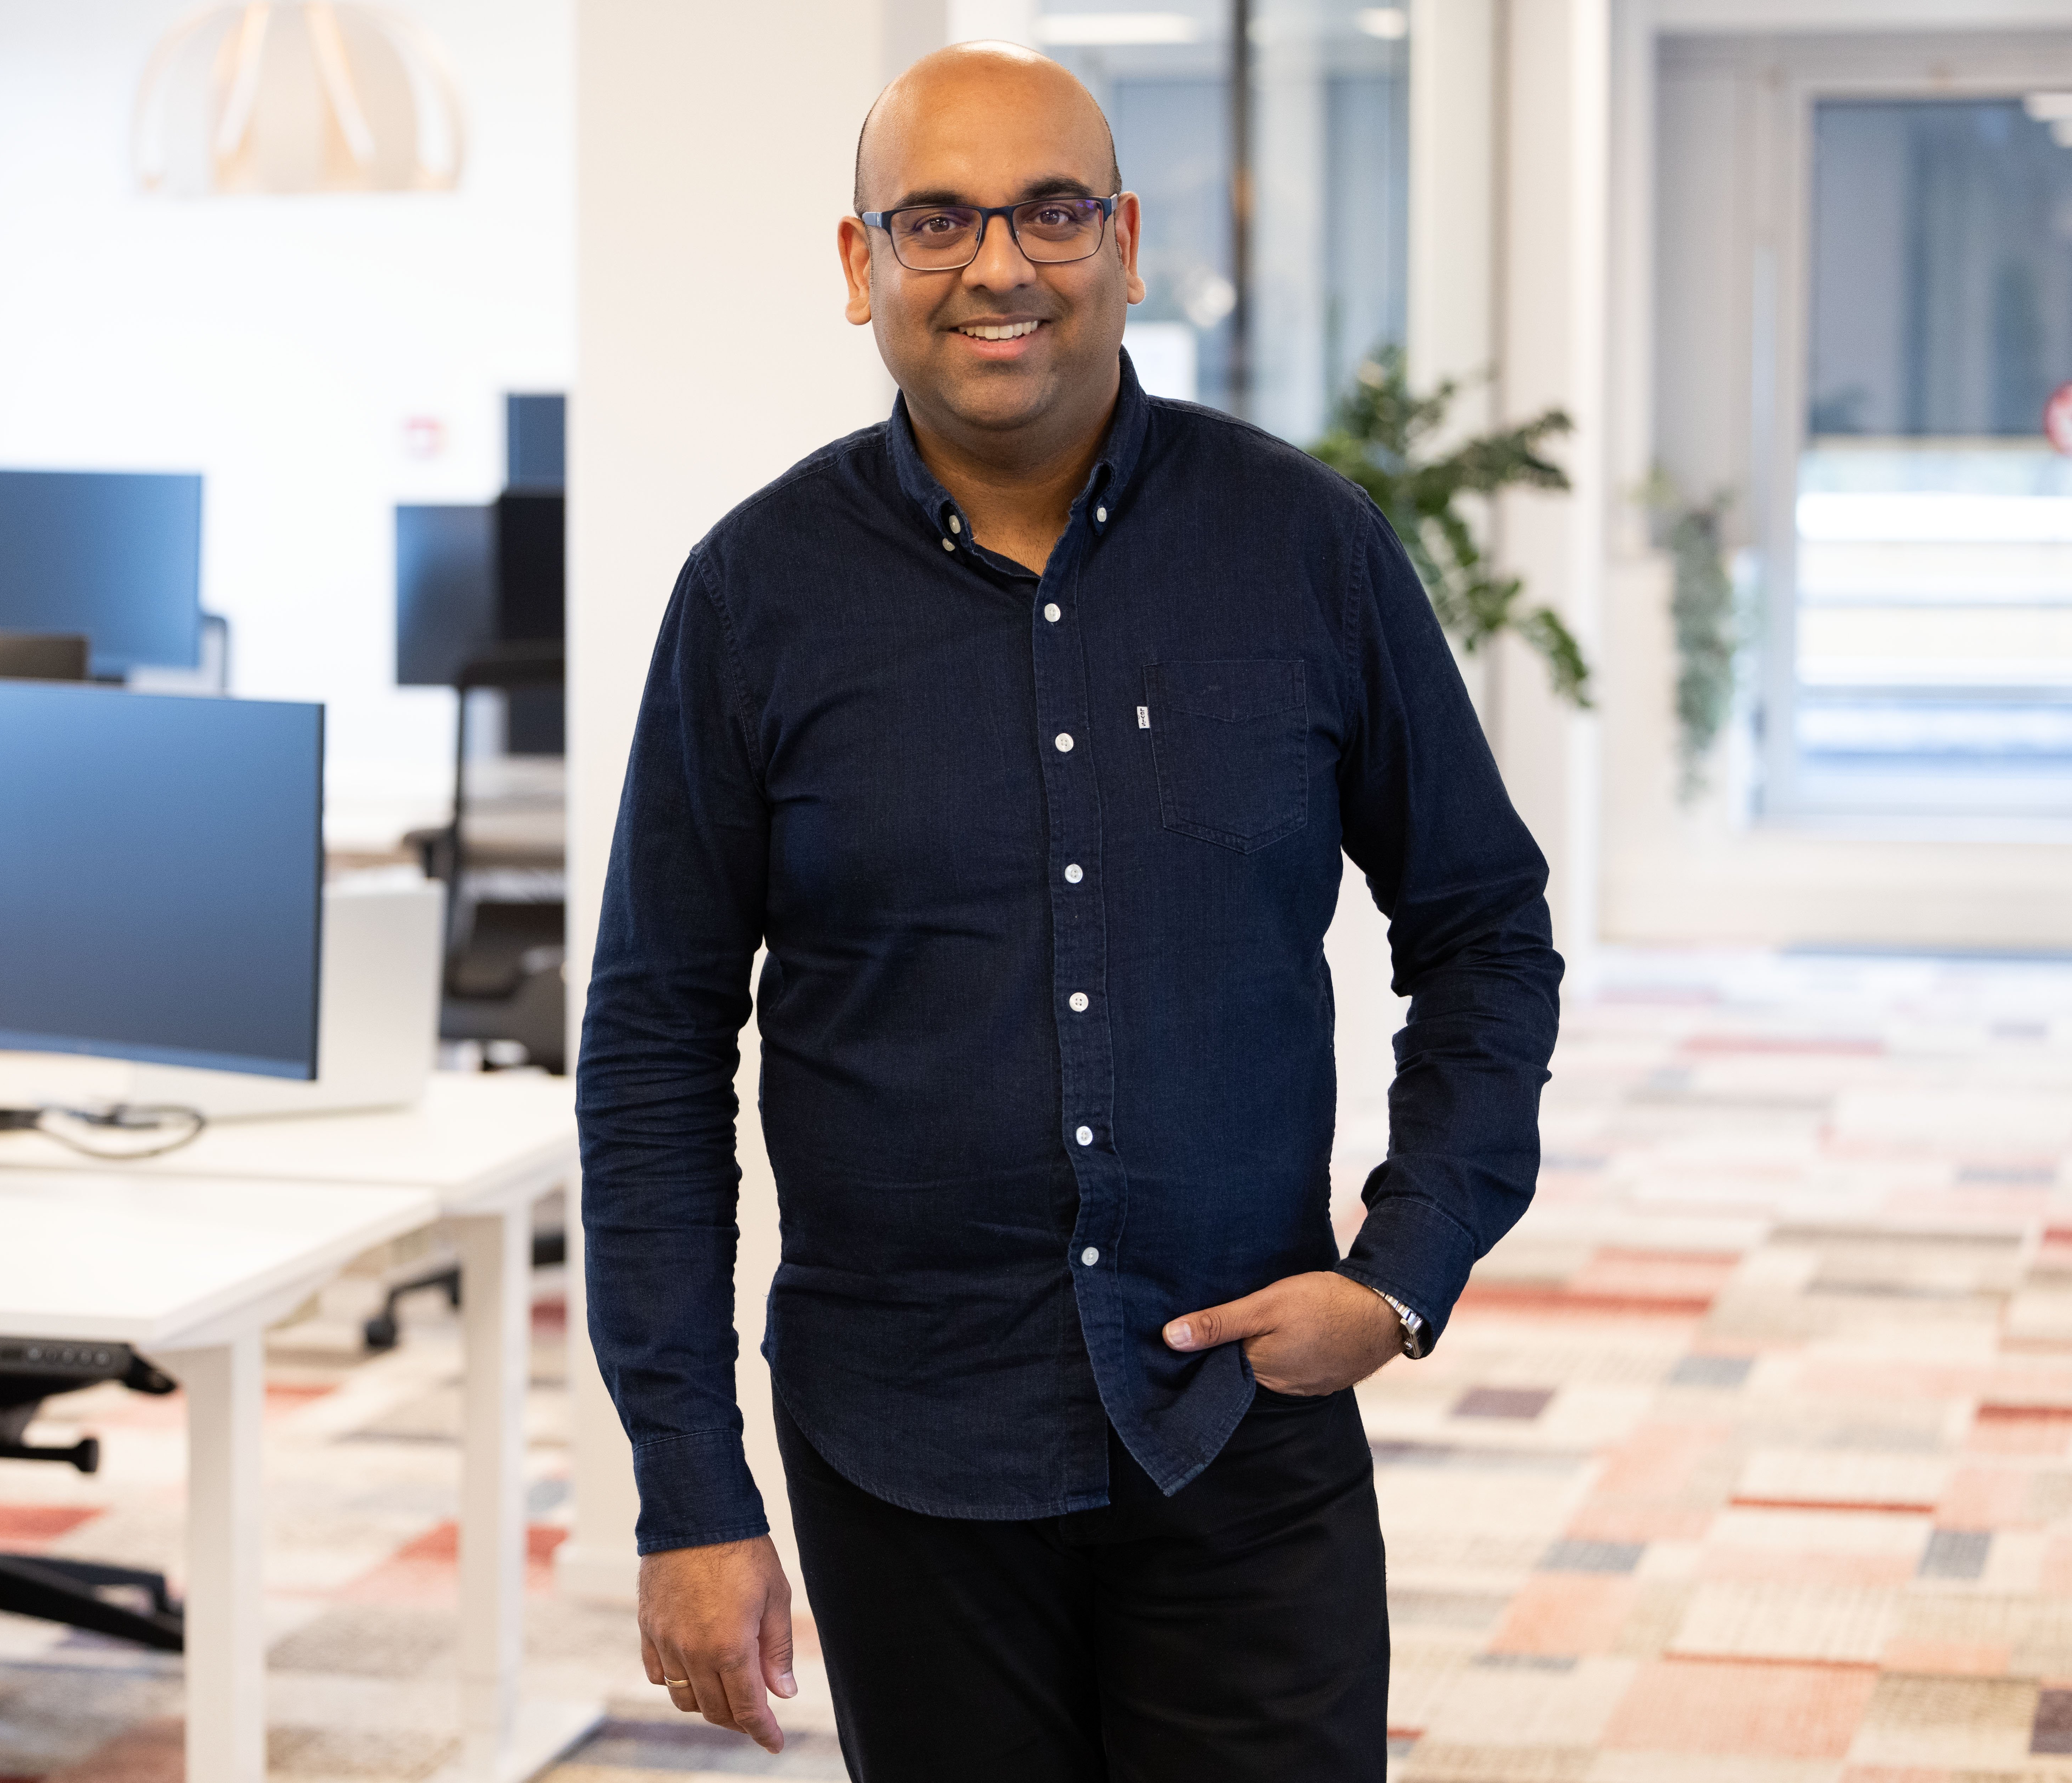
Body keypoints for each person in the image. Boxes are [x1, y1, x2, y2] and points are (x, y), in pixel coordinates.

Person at [573, 40, 1561, 1783]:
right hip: (900, 1441)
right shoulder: (751, 596)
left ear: (1117, 235)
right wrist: (688, 1488)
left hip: (1242, 1424)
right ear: (858, 263)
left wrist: (1400, 1273)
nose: (997, 265)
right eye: (935, 219)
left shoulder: (1304, 548)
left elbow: (1481, 926)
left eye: (1046, 212)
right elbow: (651, 1048)